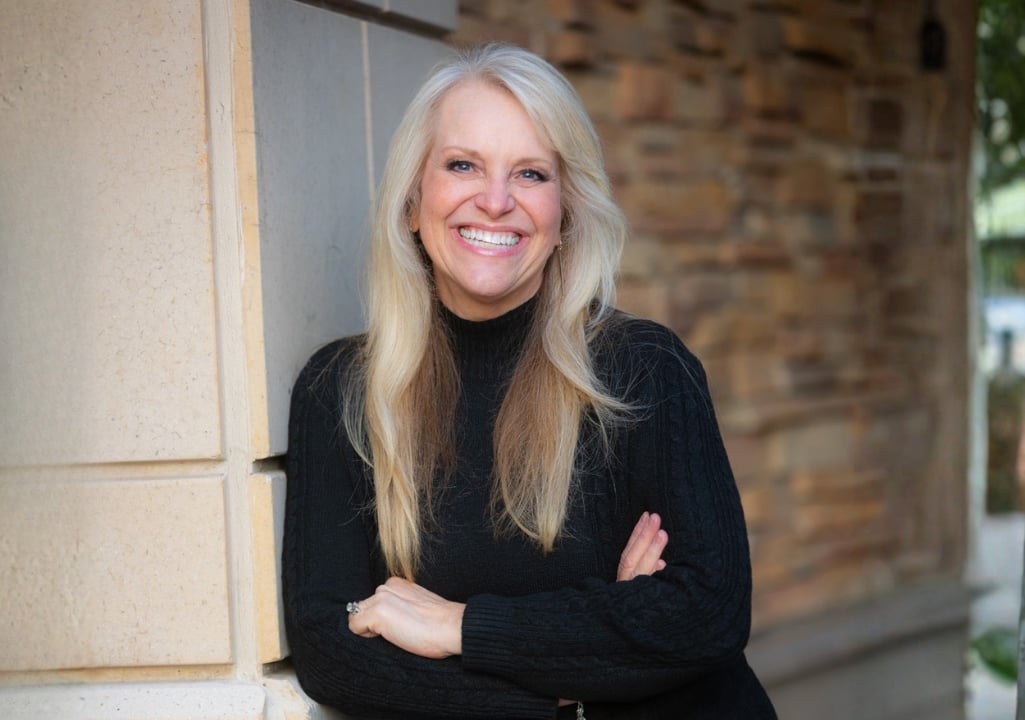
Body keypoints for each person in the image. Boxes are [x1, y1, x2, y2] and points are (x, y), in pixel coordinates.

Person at [283, 43, 776, 719]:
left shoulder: (642, 372)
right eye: (461, 165)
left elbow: (705, 615)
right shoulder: (340, 393)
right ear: (410, 200)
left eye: (531, 174)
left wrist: (457, 628)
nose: (494, 201)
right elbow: (331, 655)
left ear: (566, 212)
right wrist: (580, 677)